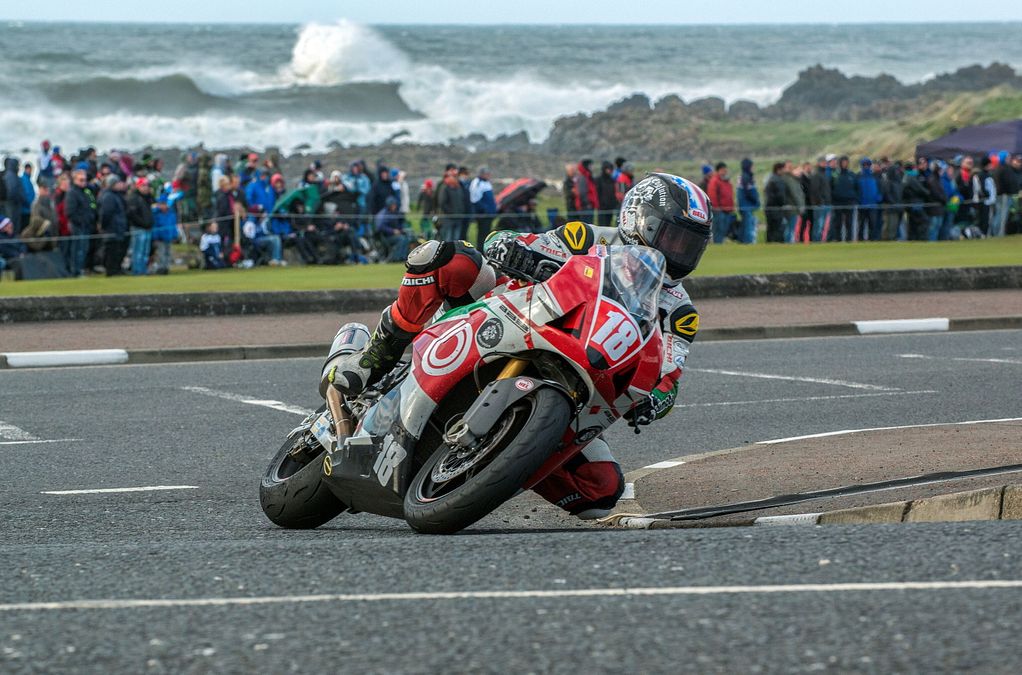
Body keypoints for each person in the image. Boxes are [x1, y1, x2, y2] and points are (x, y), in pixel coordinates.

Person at [325, 173, 710, 521]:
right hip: (517, 317)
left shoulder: (679, 312)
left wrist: (656, 400)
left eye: (690, 244)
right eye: (672, 236)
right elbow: (506, 241)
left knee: (600, 491)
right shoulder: (588, 238)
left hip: (582, 375)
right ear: (636, 220)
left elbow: (670, 376)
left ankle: (496, 464)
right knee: (447, 258)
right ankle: (375, 358)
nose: (678, 251)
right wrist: (517, 251)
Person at [64, 169, 96, 277]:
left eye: (85, 180)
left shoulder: (86, 192)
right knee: (78, 250)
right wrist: (81, 221)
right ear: (75, 180)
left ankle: (80, 270)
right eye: (81, 180)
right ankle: (76, 271)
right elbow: (70, 212)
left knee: (84, 249)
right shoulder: (72, 193)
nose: (84, 182)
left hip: (86, 225)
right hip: (78, 226)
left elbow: (90, 207)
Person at [98, 175, 129, 276]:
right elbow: (106, 213)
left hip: (117, 228)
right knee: (111, 251)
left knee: (117, 250)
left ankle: (116, 269)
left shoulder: (116, 195)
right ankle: (111, 270)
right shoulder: (109, 196)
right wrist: (104, 226)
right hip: (112, 229)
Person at [125, 177, 155, 275]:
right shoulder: (133, 198)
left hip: (147, 228)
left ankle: (143, 270)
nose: (146, 188)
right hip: (138, 228)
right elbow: (132, 214)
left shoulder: (148, 198)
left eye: (147, 186)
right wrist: (142, 223)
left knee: (145, 252)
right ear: (138, 186)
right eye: (143, 186)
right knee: (137, 251)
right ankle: (137, 271)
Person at [435, 164, 469, 241]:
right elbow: (442, 203)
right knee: (448, 239)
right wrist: (450, 213)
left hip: (458, 218)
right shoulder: (445, 187)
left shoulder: (459, 187)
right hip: (448, 219)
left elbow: (462, 201)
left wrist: (461, 212)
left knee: (456, 240)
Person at [829, 156, 859, 242]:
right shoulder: (834, 175)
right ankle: (837, 239)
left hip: (849, 202)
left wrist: (854, 198)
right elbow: (830, 187)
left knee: (849, 222)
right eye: (843, 162)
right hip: (837, 202)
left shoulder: (852, 175)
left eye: (846, 162)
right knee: (837, 223)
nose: (844, 164)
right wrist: (833, 198)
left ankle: (849, 239)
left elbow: (857, 188)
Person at [706, 162, 736, 244]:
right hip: (719, 211)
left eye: (725, 170)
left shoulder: (726, 181)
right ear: (718, 171)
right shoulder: (715, 181)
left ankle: (720, 243)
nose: (725, 172)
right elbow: (712, 195)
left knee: (724, 230)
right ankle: (718, 244)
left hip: (727, 210)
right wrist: (716, 207)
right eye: (723, 170)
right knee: (718, 230)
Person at [469, 166, 498, 250]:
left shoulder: (487, 183)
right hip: (483, 214)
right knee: (482, 234)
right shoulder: (477, 183)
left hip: (489, 214)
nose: (488, 175)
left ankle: (486, 249)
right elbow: (474, 199)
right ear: (482, 174)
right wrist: (485, 210)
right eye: (486, 174)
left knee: (487, 234)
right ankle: (481, 250)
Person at [375, 196, 410, 262]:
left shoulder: (394, 213)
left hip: (394, 235)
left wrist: (401, 229)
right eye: (393, 205)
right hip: (386, 237)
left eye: (395, 205)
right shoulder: (383, 214)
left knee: (406, 238)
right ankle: (396, 258)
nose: (395, 206)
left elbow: (399, 223)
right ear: (389, 205)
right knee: (401, 239)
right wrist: (392, 231)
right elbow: (380, 227)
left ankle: (403, 257)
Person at [22, 181, 56, 252]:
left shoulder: (51, 203)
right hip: (41, 236)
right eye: (44, 189)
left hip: (51, 235)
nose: (46, 192)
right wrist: (46, 225)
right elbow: (35, 220)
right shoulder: (36, 204)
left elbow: (54, 218)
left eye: (47, 189)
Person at [763, 163, 790, 243]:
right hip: (776, 208)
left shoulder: (771, 179)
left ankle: (769, 243)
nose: (784, 171)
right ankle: (778, 244)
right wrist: (782, 204)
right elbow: (780, 196)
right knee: (778, 228)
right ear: (778, 170)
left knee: (770, 228)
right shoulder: (778, 180)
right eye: (783, 169)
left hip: (769, 207)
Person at [857, 158, 882, 241]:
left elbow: (880, 190)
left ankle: (873, 239)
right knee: (861, 224)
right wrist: (859, 200)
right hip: (862, 205)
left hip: (873, 205)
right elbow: (856, 190)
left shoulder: (875, 177)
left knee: (873, 224)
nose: (866, 166)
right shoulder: (858, 176)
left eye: (868, 165)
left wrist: (878, 198)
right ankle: (860, 239)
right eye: (864, 165)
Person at [808, 156, 832, 241]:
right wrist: (820, 202)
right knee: (818, 225)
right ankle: (816, 241)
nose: (825, 164)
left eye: (825, 162)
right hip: (819, 205)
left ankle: (821, 240)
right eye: (823, 162)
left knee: (824, 225)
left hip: (826, 203)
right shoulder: (817, 174)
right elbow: (815, 190)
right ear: (818, 163)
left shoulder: (824, 174)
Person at [879, 158, 904, 241]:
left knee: (893, 226)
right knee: (887, 226)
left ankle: (892, 239)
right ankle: (886, 240)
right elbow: (887, 194)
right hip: (890, 207)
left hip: (896, 207)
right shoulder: (888, 182)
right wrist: (893, 203)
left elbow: (899, 195)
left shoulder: (898, 183)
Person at [736, 158, 760, 244]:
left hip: (744, 205)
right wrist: (756, 201)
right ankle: (748, 242)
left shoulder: (742, 176)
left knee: (745, 225)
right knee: (748, 226)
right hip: (747, 206)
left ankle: (743, 241)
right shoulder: (746, 177)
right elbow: (750, 192)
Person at [595, 161, 619, 227]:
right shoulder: (598, 180)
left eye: (611, 169)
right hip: (602, 208)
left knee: (608, 226)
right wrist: (600, 204)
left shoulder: (612, 180)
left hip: (610, 207)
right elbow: (597, 193)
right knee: (602, 226)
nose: (610, 171)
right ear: (604, 169)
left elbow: (614, 192)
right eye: (608, 169)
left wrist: (614, 203)